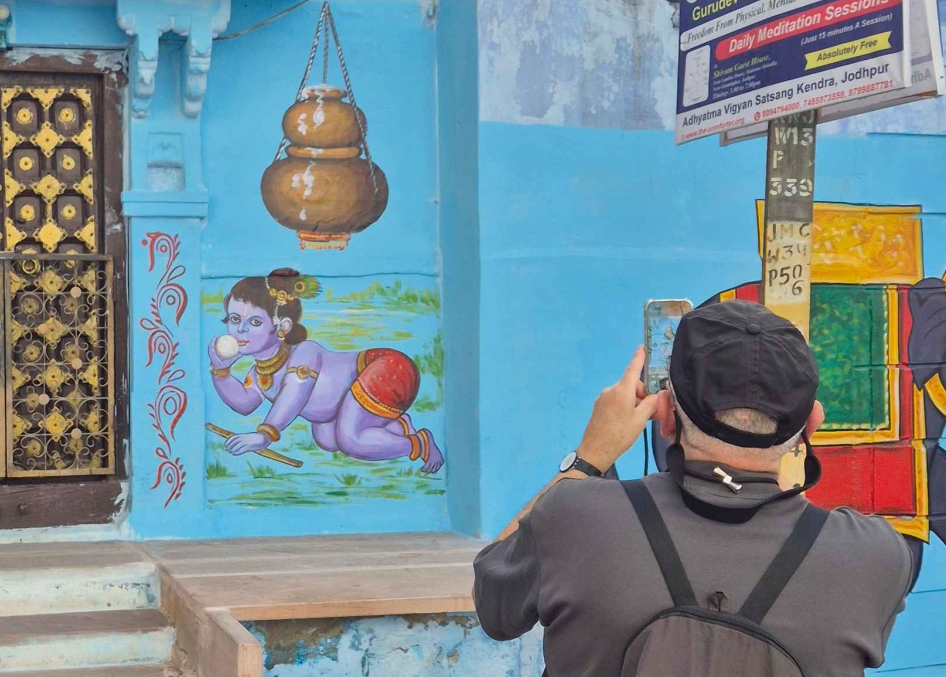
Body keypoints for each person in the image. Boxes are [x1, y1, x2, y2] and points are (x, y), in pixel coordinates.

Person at [473, 300, 921, 676]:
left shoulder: (576, 517)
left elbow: (495, 606)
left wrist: (588, 459)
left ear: (665, 416)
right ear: (813, 423)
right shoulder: (875, 555)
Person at [208, 268, 443, 473]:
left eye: (255, 322)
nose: (241, 329)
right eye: (234, 319)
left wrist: (265, 435)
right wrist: (221, 373)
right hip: (347, 400)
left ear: (283, 327)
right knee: (327, 439)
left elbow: (294, 393)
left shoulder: (305, 352)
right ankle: (399, 427)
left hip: (386, 369)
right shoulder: (259, 373)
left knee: (350, 440)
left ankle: (420, 444)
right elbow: (245, 404)